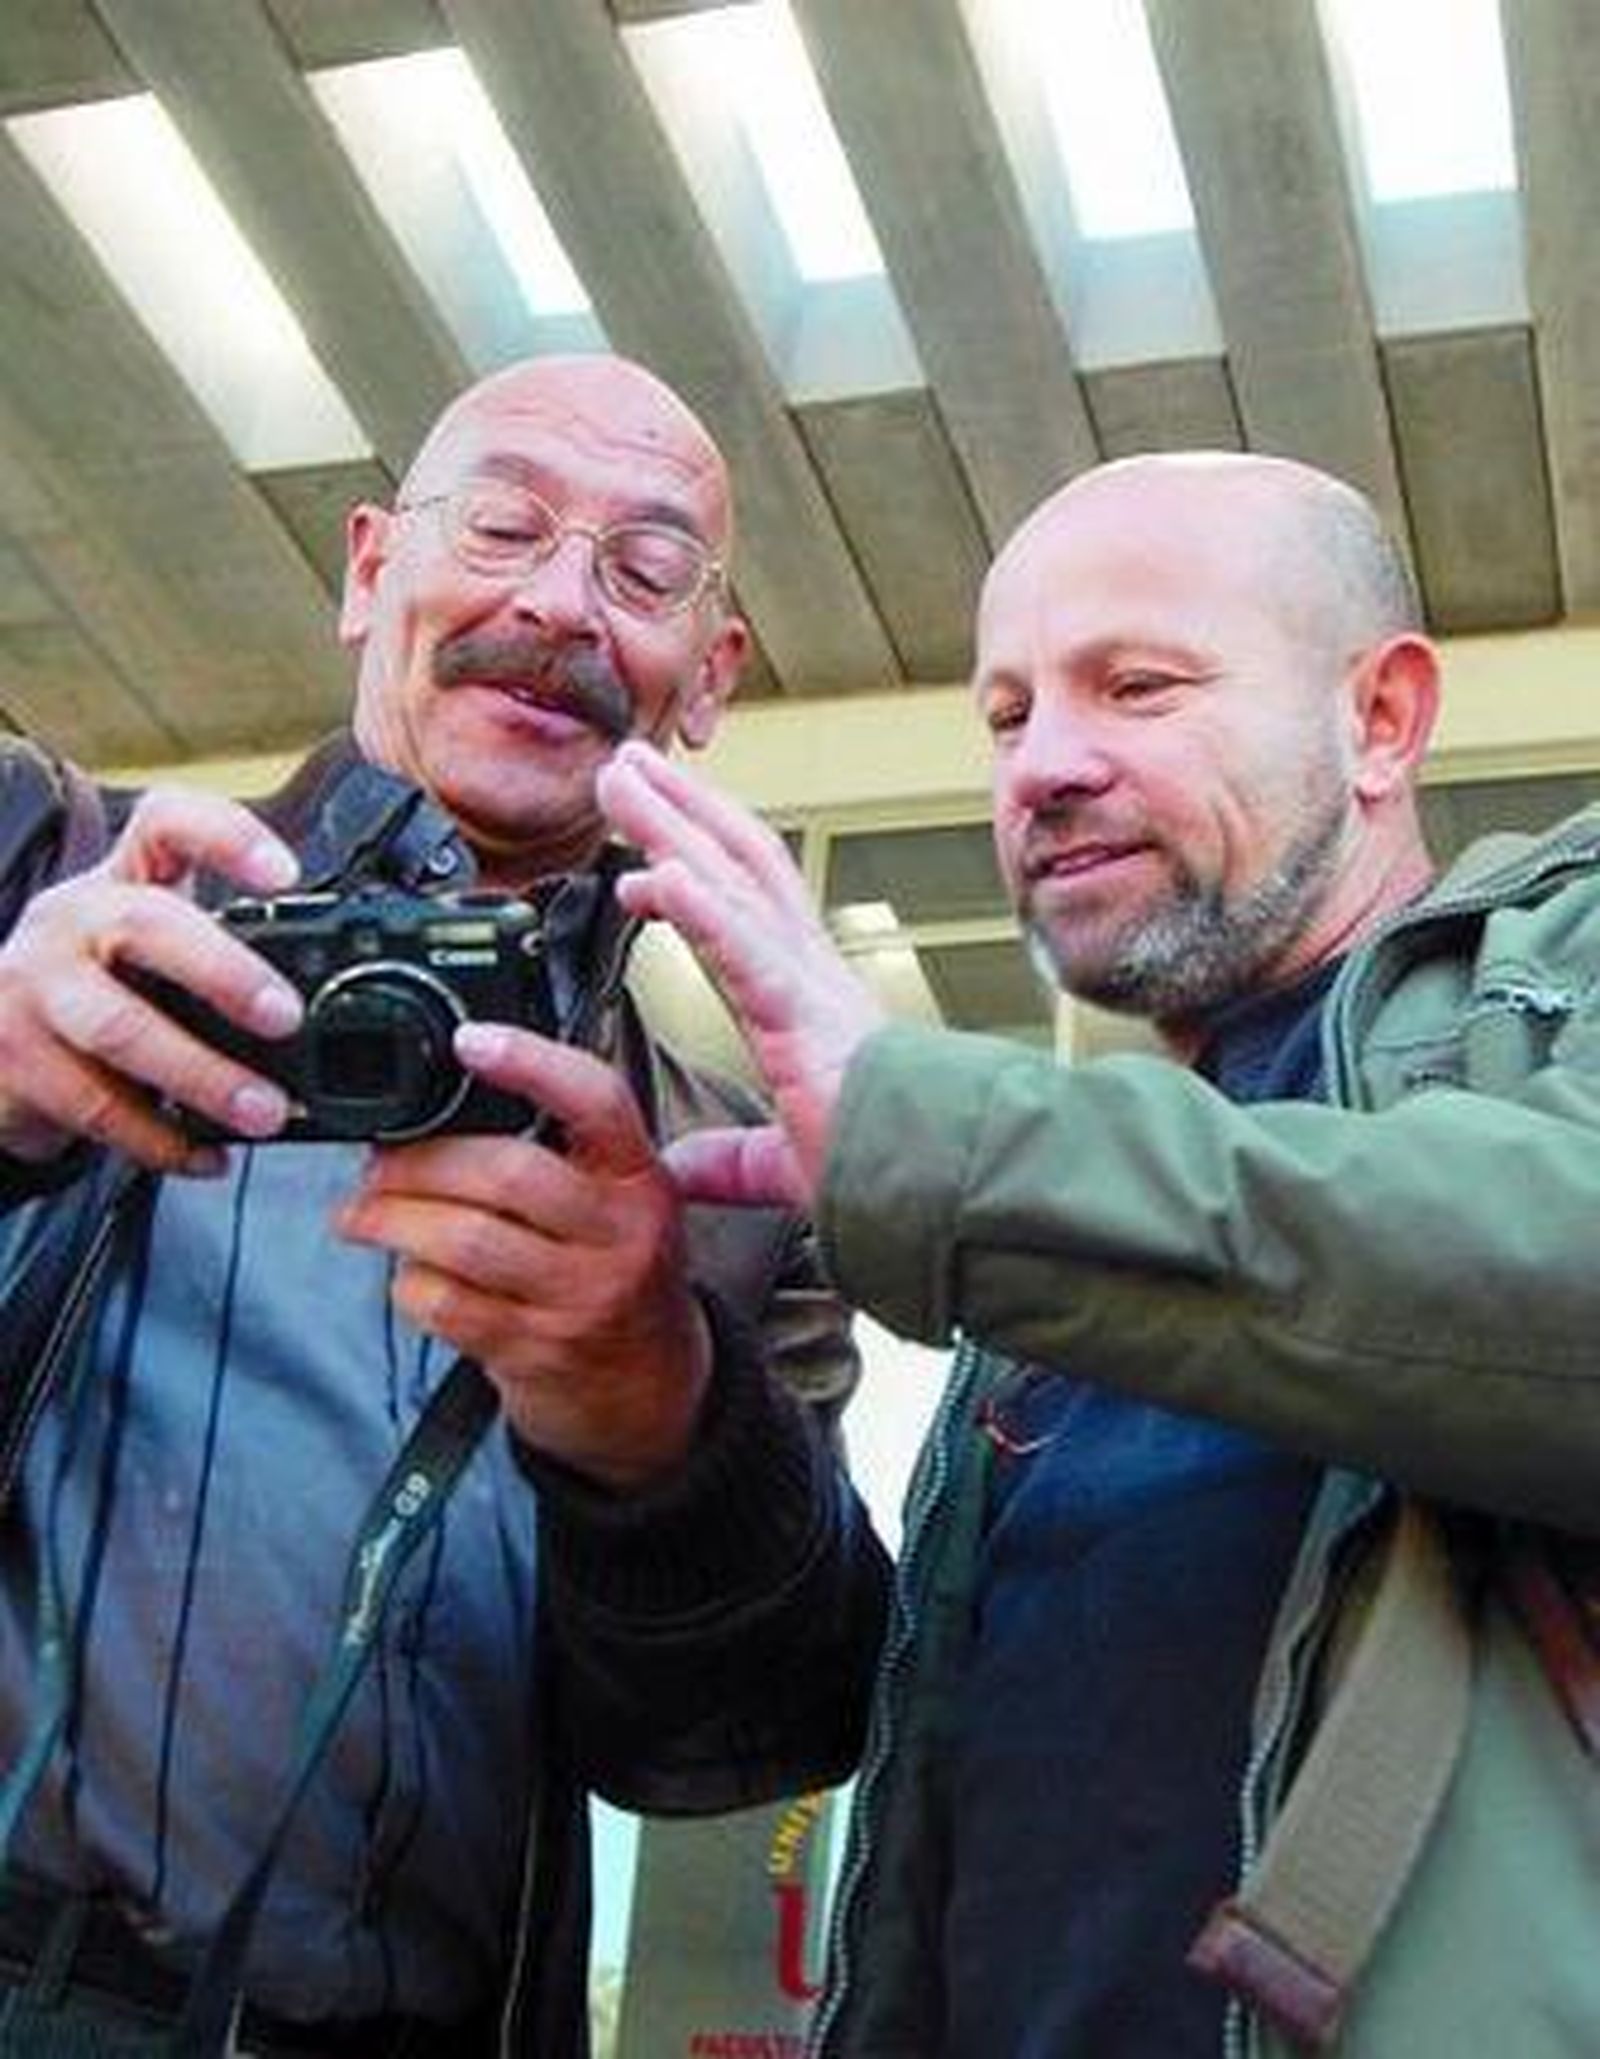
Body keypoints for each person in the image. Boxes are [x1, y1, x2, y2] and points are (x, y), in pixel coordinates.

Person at [597, 450, 1600, 2058]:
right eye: (1006, 715)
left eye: (1137, 685)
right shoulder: (1044, 1255)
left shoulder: (1563, 964)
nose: (1045, 765)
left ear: (1382, 720)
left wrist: (922, 1133)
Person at [0, 353, 888, 2057]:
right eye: (500, 524)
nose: (555, 605)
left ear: (707, 678)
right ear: (366, 572)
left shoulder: (726, 1186)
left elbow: (766, 1724)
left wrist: (664, 1416)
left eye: (642, 572)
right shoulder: (52, 884)